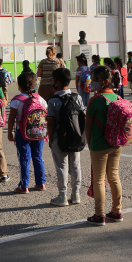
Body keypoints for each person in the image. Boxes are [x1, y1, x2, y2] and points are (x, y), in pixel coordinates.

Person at [85, 66, 124, 226]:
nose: (91, 82)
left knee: (99, 180)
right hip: (116, 142)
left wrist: (89, 143)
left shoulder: (95, 100)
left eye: (94, 80)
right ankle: (117, 211)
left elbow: (88, 126)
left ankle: (99, 214)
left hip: (99, 144)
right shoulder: (117, 97)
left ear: (104, 81)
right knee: (114, 176)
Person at [47, 67, 85, 206]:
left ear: (56, 82)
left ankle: (62, 195)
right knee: (75, 165)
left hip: (59, 138)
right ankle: (76, 194)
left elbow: (50, 123)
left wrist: (50, 139)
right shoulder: (78, 97)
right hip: (76, 137)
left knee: (61, 166)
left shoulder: (53, 101)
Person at [8, 71, 47, 194]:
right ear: (33, 85)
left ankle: (24, 185)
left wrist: (10, 132)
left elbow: (12, 118)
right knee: (38, 156)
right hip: (39, 133)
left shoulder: (17, 100)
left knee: (24, 158)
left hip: (23, 133)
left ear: (19, 86)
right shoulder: (39, 99)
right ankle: (41, 183)